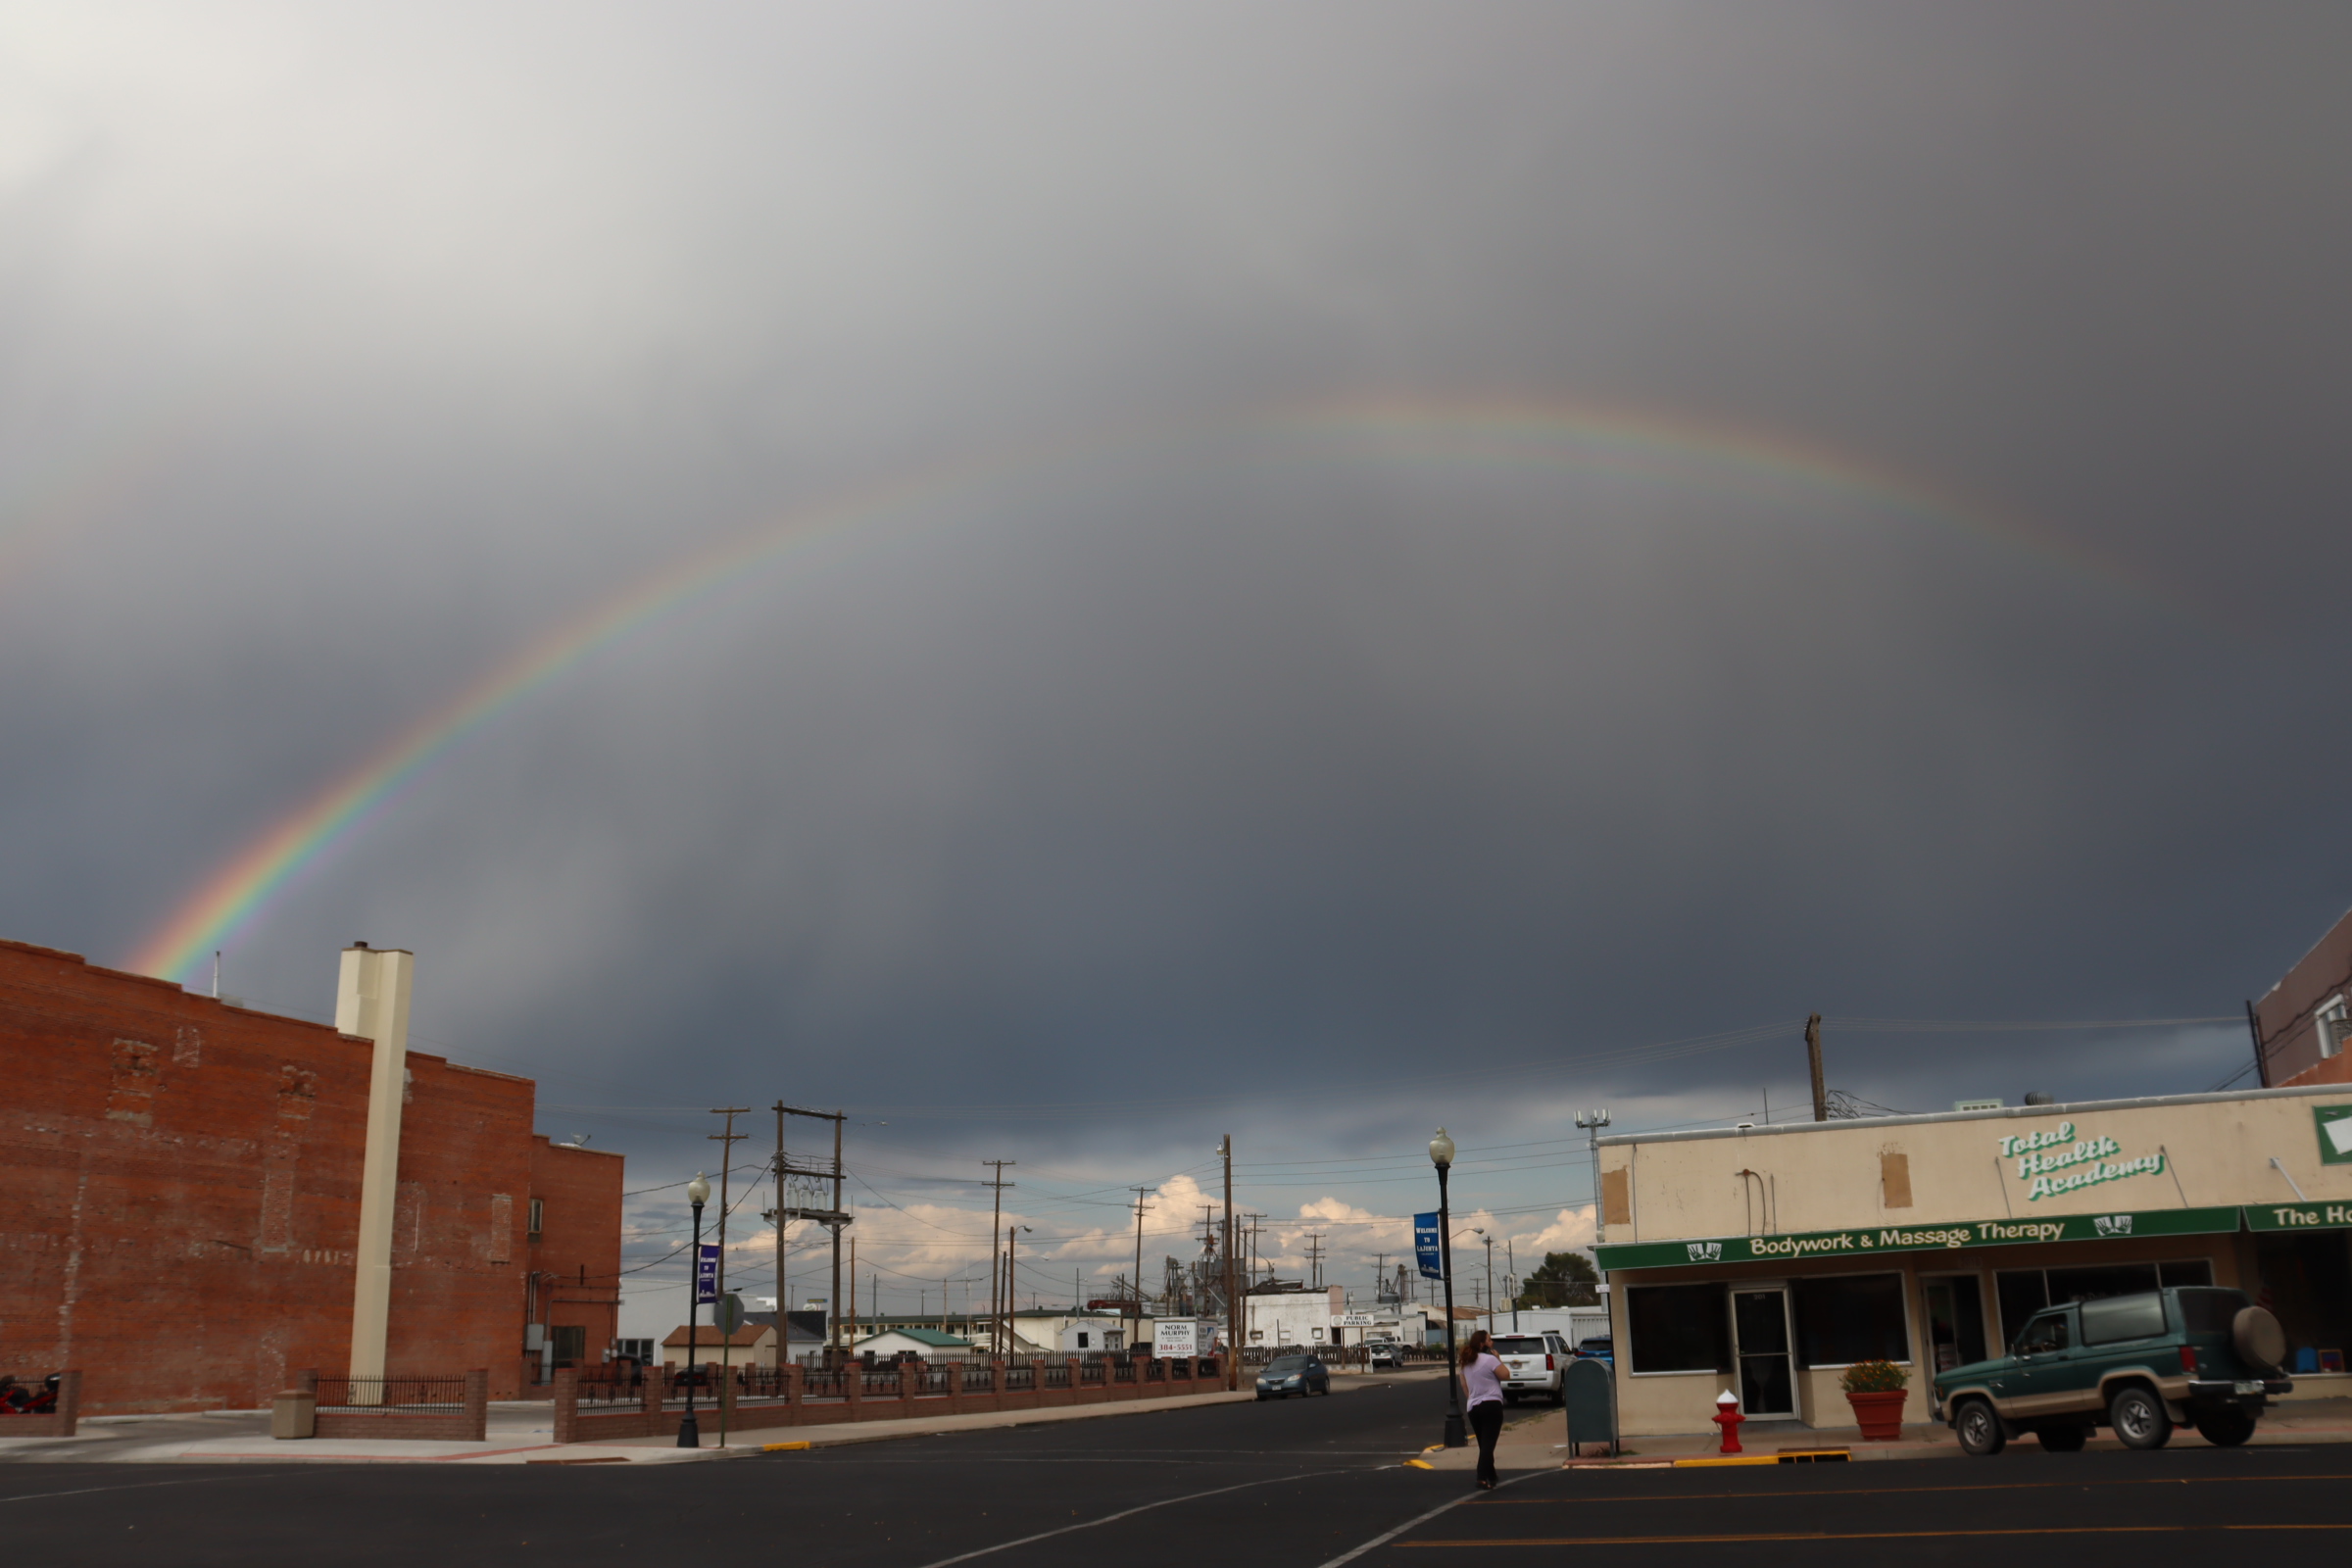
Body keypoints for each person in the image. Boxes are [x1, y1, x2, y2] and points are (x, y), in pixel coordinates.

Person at [1459, 1328, 1506, 1490]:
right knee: (1488, 1443)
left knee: (1484, 1443)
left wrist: (1472, 1399)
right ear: (1482, 1344)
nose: (1491, 1342)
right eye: (1489, 1339)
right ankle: (1481, 1476)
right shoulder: (1490, 1359)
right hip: (1491, 1404)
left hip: (1473, 1406)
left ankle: (1491, 1476)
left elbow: (1465, 1387)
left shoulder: (1465, 1362)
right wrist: (1499, 1360)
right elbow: (1505, 1375)